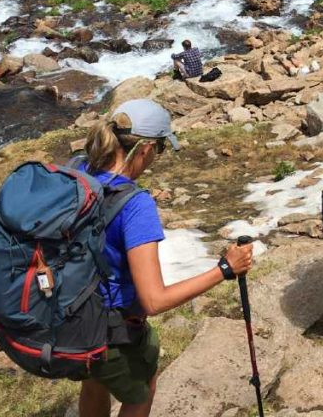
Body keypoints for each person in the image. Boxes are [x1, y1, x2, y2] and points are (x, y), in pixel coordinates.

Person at [78, 100, 253, 417]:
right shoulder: (135, 204)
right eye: (159, 148)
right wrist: (225, 269)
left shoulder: (78, 169)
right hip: (111, 325)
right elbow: (154, 300)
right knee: (142, 387)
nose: (156, 157)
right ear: (144, 149)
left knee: (94, 380)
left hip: (71, 311)